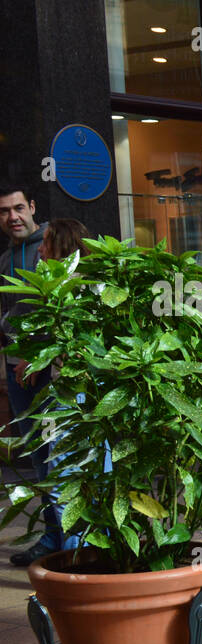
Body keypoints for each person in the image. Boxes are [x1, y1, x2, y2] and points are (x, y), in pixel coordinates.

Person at [7, 218, 91, 564]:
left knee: (64, 474)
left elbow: (79, 339)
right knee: (53, 471)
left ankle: (75, 563)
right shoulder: (54, 280)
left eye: (46, 245)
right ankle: (63, 550)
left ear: (63, 248)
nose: (39, 250)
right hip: (50, 387)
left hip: (66, 393)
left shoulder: (79, 286)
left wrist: (39, 359)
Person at [0, 187, 54, 564]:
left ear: (32, 207)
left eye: (19, 208)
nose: (13, 217)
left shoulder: (53, 246)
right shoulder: (5, 258)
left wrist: (41, 358)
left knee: (59, 456)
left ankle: (74, 542)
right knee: (37, 454)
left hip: (49, 368)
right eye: (4, 212)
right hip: (16, 368)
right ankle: (53, 539)